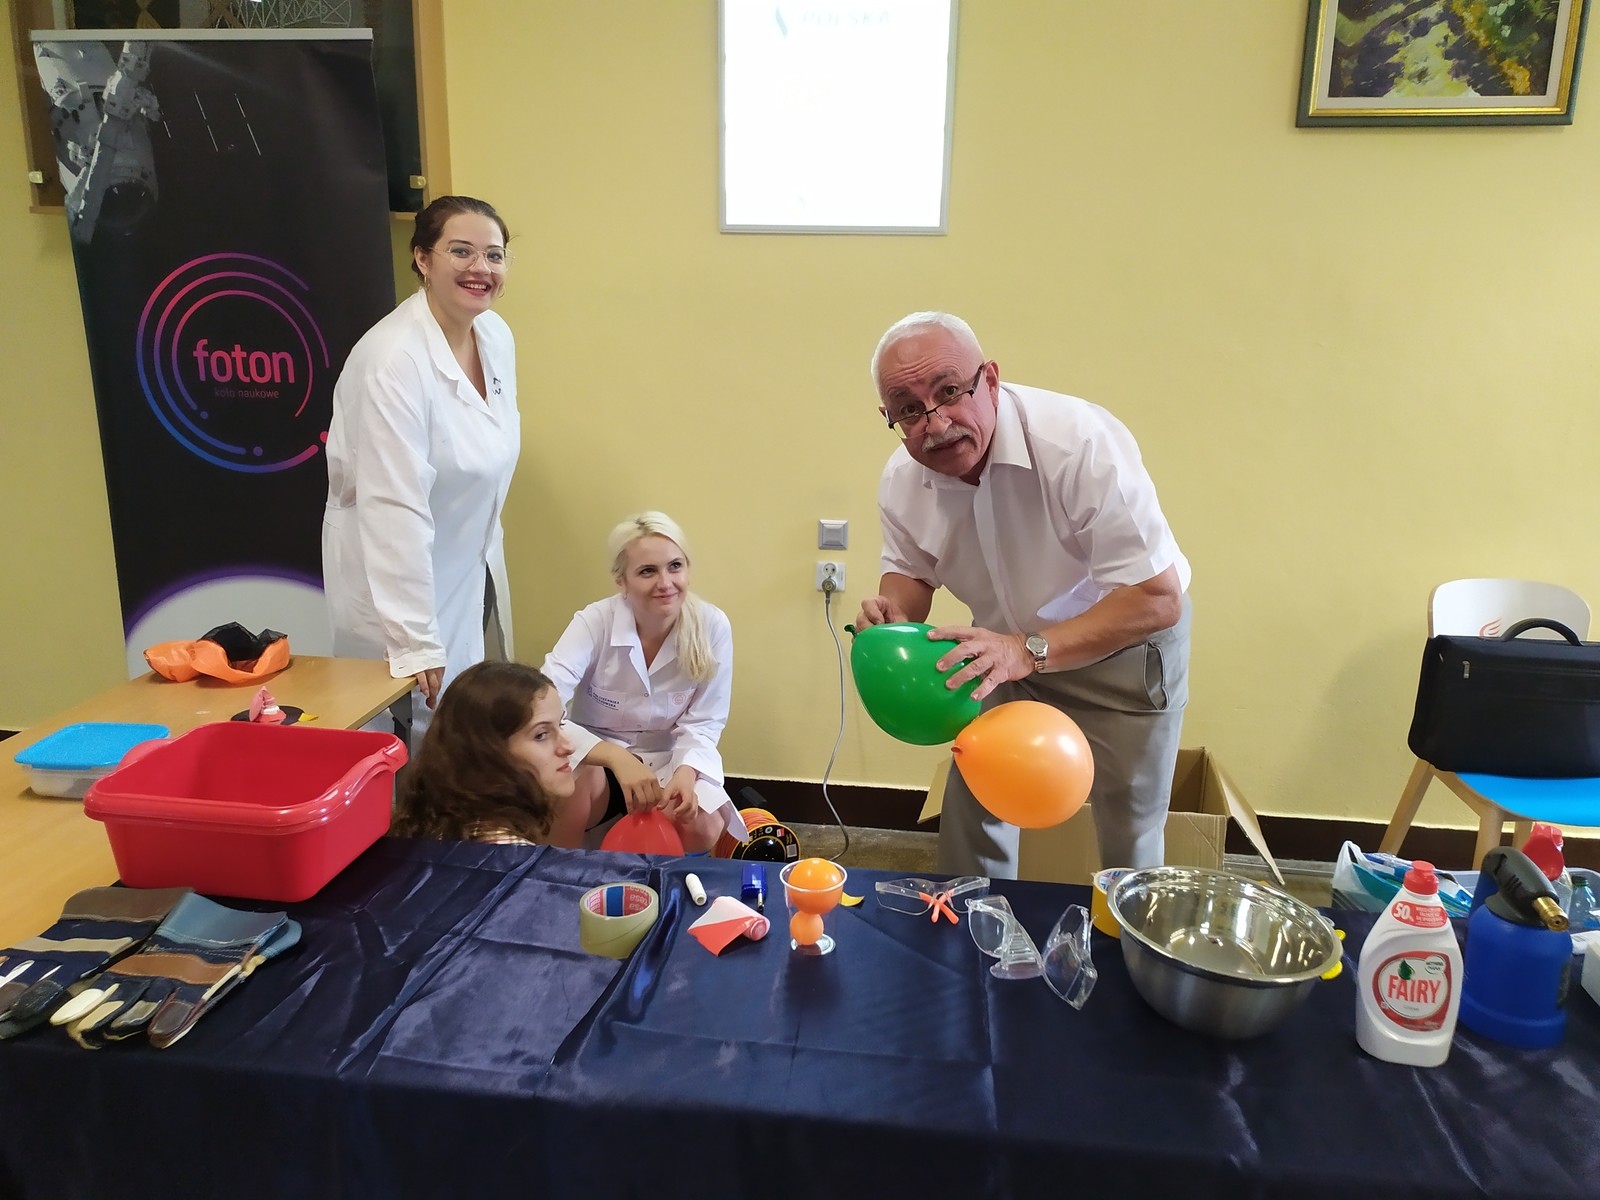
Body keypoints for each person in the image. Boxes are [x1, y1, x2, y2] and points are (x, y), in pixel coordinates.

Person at [854, 311, 1191, 879]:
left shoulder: (1078, 443)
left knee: (1129, 822)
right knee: (975, 801)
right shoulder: (902, 480)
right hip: (1005, 655)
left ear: (989, 380)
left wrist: (1025, 649)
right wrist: (894, 616)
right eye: (909, 409)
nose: (935, 423)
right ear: (890, 418)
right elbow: (911, 572)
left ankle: (1124, 934)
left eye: (949, 392)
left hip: (1123, 648)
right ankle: (971, 926)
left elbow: (1157, 597)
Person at [322, 195, 520, 744]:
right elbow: (394, 506)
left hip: (467, 558)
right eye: (461, 251)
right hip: (395, 577)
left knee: (463, 722)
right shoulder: (392, 360)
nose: (480, 268)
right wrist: (414, 639)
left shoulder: (494, 336)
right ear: (423, 259)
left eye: (494, 255)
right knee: (403, 730)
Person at [541, 512, 746, 854]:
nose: (665, 583)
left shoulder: (712, 626)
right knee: (568, 791)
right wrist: (615, 757)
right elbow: (542, 710)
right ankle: (565, 873)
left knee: (704, 822)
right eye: (648, 571)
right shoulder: (594, 622)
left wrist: (686, 771)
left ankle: (667, 877)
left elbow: (706, 721)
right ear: (621, 581)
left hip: (668, 761)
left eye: (675, 566)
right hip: (598, 760)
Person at [390, 661, 578, 847]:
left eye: (560, 724)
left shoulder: (436, 818)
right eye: (541, 735)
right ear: (487, 752)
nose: (569, 746)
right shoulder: (509, 853)